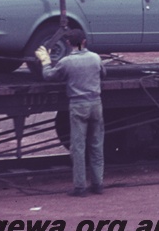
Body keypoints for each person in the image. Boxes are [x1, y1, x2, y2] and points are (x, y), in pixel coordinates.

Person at [35, 29, 106, 197]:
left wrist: (45, 61)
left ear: (68, 43)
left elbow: (49, 76)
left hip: (78, 105)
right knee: (96, 145)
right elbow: (103, 73)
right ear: (84, 41)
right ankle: (98, 184)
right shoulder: (96, 58)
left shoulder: (66, 62)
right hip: (96, 103)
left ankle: (80, 187)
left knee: (78, 147)